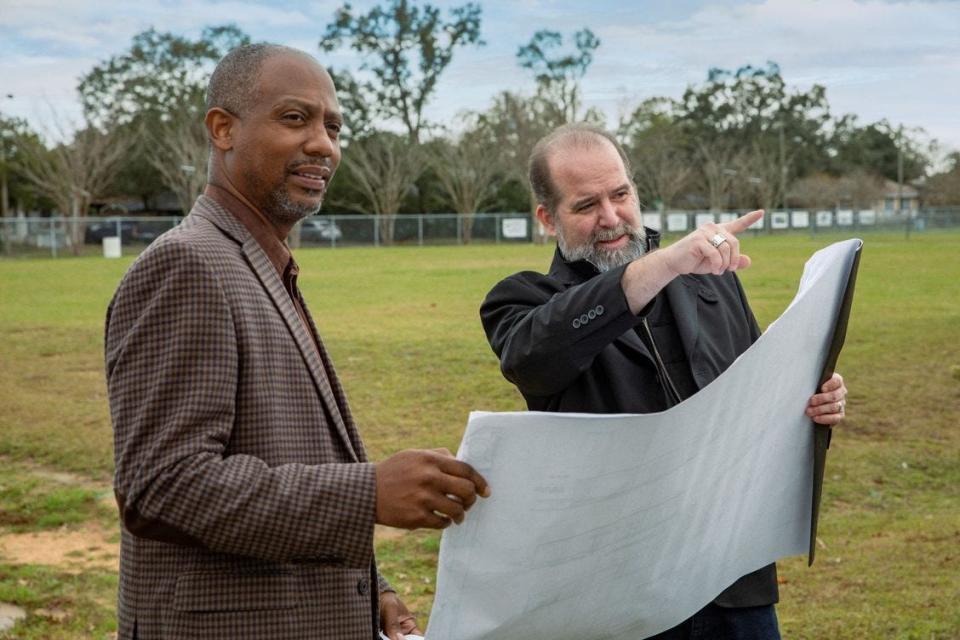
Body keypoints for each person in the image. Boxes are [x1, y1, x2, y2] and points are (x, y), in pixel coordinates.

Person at [105, 44, 488, 640]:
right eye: (295, 118)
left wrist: (372, 589)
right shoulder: (189, 264)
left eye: (333, 127)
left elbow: (289, 453)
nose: (323, 144)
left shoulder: (258, 261)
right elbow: (162, 485)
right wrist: (369, 492)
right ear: (223, 128)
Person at [479, 123, 846, 639]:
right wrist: (663, 264)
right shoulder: (523, 301)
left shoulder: (713, 282)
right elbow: (534, 357)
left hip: (731, 573)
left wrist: (815, 396)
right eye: (586, 206)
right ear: (547, 218)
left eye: (620, 195)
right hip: (619, 592)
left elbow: (764, 387)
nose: (611, 218)